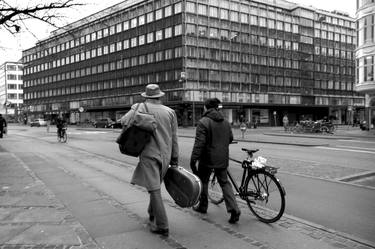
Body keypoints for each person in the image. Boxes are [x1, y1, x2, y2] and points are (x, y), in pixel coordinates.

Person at [120, 84, 178, 237]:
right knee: (155, 185)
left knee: (154, 189)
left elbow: (123, 121)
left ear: (146, 96)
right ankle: (151, 212)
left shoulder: (139, 107)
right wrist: (175, 158)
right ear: (160, 96)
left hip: (149, 154)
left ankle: (163, 225)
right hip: (165, 155)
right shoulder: (170, 112)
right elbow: (174, 138)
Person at [190, 98, 241, 224]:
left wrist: (193, 159)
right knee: (224, 182)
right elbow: (230, 138)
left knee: (204, 181)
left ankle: (203, 206)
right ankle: (234, 209)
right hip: (222, 157)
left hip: (207, 159)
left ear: (207, 108)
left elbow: (199, 144)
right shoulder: (225, 122)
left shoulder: (203, 122)